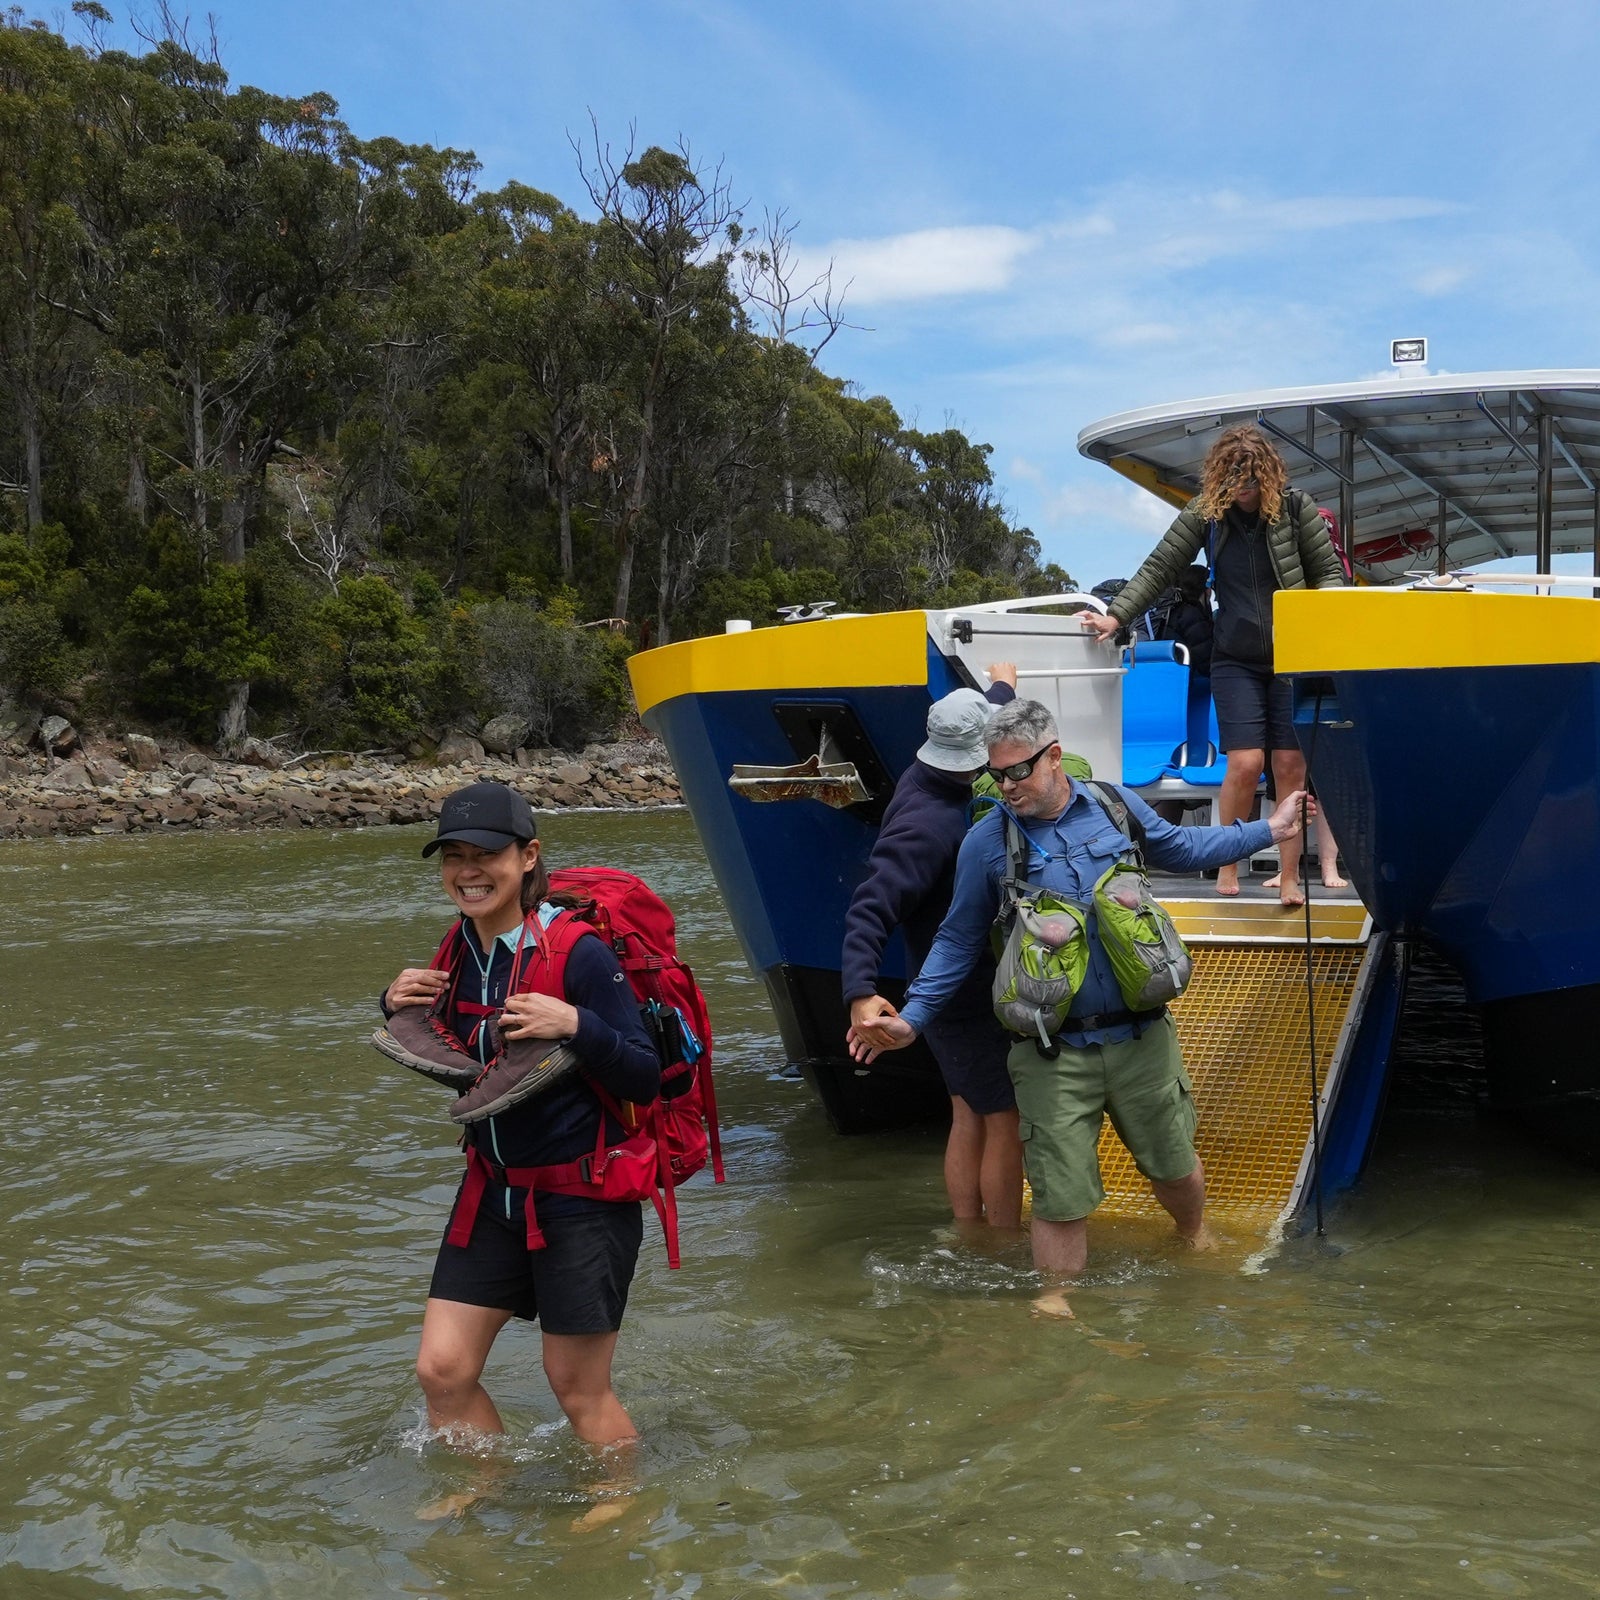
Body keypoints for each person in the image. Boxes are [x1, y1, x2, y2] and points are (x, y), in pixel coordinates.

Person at [847, 699, 1310, 1310]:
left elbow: (1182, 846)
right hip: (1052, 1052)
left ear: (1055, 757)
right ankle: (1055, 1297)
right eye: (996, 774)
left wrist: (1269, 830)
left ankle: (1195, 1236)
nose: (1006, 786)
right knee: (1059, 1194)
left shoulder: (1115, 806)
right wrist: (912, 1020)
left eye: (1018, 771)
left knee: (1174, 1164)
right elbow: (956, 940)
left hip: (1142, 1038)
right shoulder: (985, 842)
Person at [382, 782, 661, 1455]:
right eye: (454, 856)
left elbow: (644, 1077)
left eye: (485, 854)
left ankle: (621, 1500)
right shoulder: (456, 951)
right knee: (442, 1371)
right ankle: (483, 1488)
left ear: (528, 856)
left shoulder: (579, 952)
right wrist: (388, 1003)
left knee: (577, 1387)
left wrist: (579, 1024)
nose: (468, 871)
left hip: (583, 1196)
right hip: (492, 1190)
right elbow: (454, 1048)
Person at [1080, 425, 1345, 905]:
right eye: (1234, 479)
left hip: (1292, 657)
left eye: (1252, 480)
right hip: (1235, 659)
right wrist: (1116, 616)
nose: (1244, 489)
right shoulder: (1206, 514)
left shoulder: (1296, 509)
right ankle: (1228, 861)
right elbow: (1160, 566)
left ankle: (1289, 877)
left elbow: (1328, 573)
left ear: (1268, 475)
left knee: (1290, 764)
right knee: (1245, 762)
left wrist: (1324, 620)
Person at [843, 668, 1024, 1233]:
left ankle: (970, 1232)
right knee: (1004, 1119)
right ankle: (1001, 1240)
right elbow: (870, 906)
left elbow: (979, 716)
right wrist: (859, 992)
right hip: (963, 993)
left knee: (967, 1110)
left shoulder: (920, 775)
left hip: (934, 985)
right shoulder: (929, 824)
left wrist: (1002, 686)